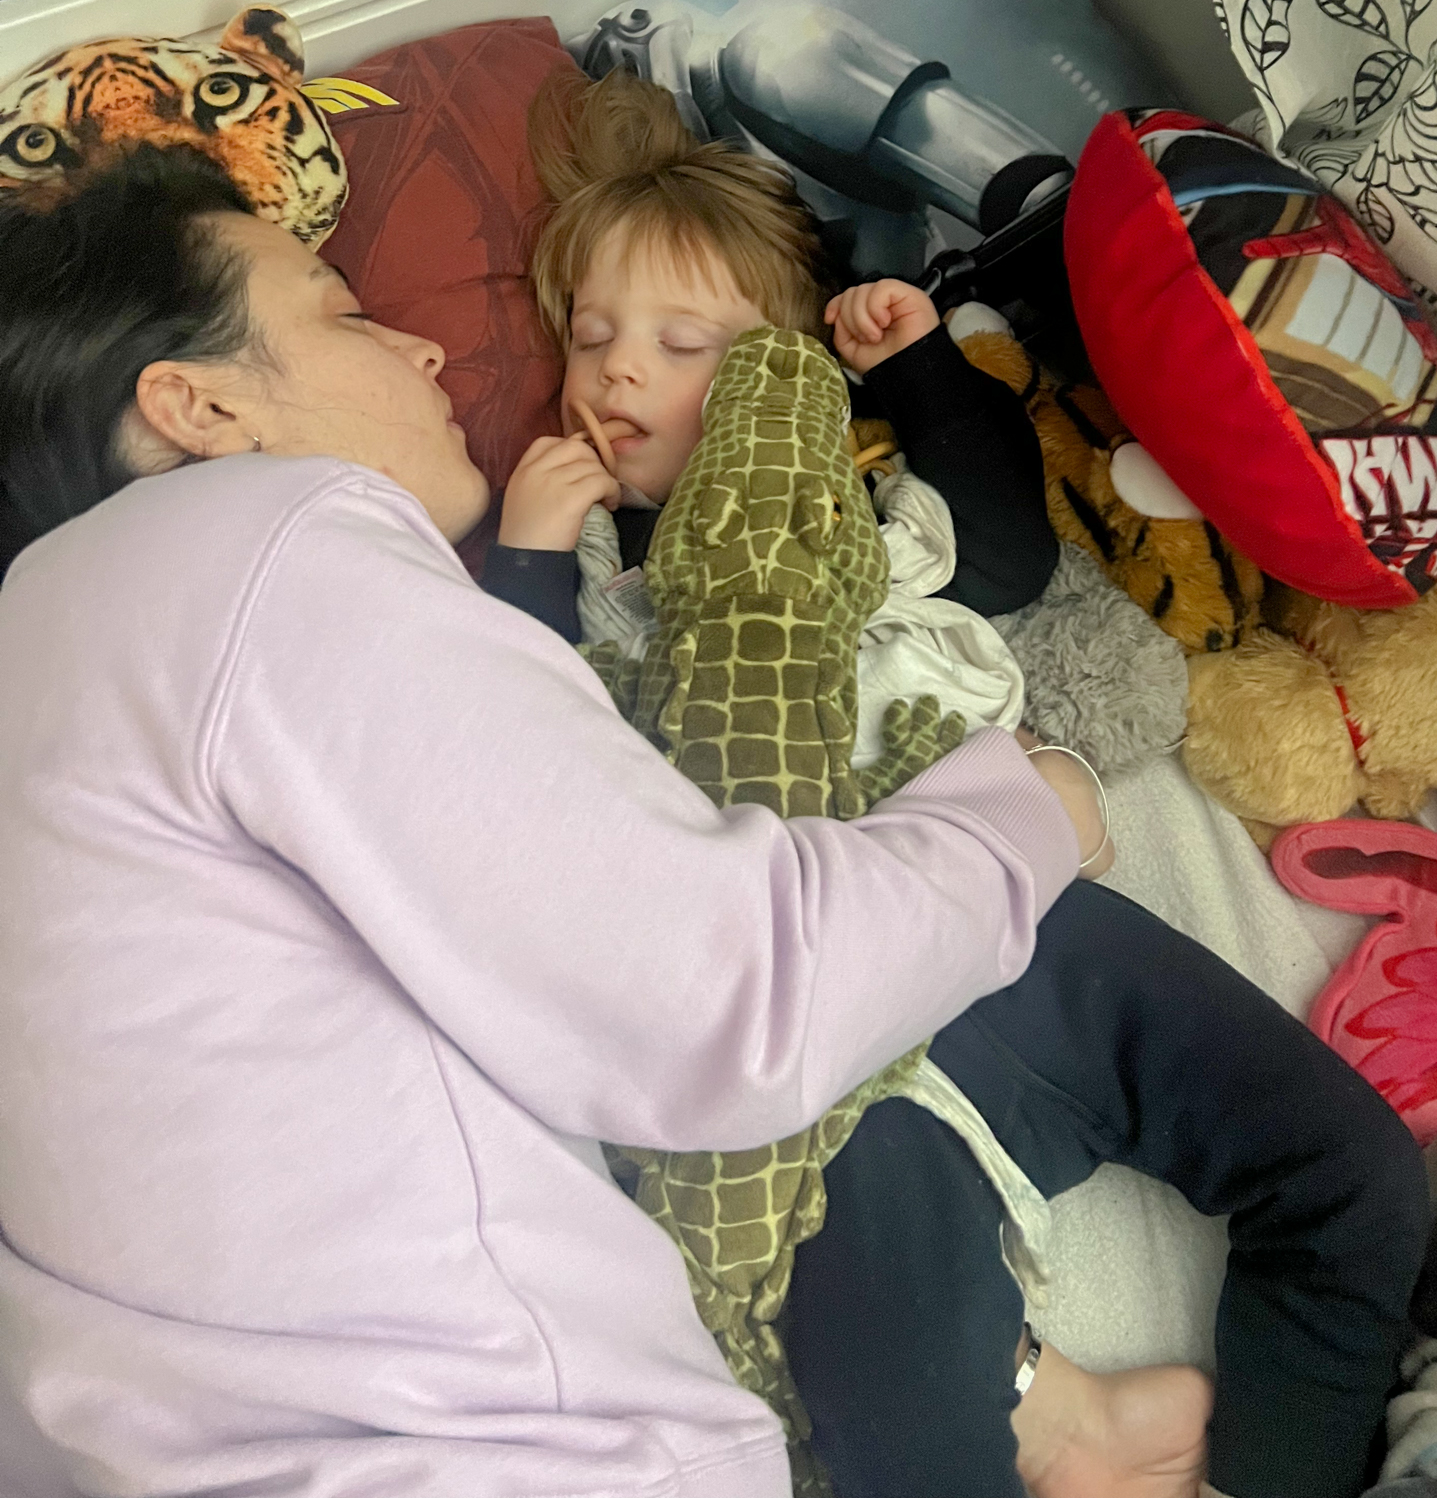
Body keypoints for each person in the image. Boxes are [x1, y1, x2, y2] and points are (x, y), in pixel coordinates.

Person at [0, 143, 1212, 1498]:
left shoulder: (45, 666)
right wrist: (1019, 812)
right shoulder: (257, 537)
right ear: (199, 406)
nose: (425, 348)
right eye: (345, 316)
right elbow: (727, 1000)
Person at [486, 67, 1432, 1498]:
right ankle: (1035, 1403)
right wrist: (527, 563)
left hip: (1010, 929)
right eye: (592, 336)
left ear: (783, 372)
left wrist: (918, 369)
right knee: (907, 1401)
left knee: (1353, 1171)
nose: (616, 373)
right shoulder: (600, 579)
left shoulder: (870, 511)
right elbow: (518, 760)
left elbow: (1008, 550)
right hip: (826, 1031)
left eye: (681, 343)